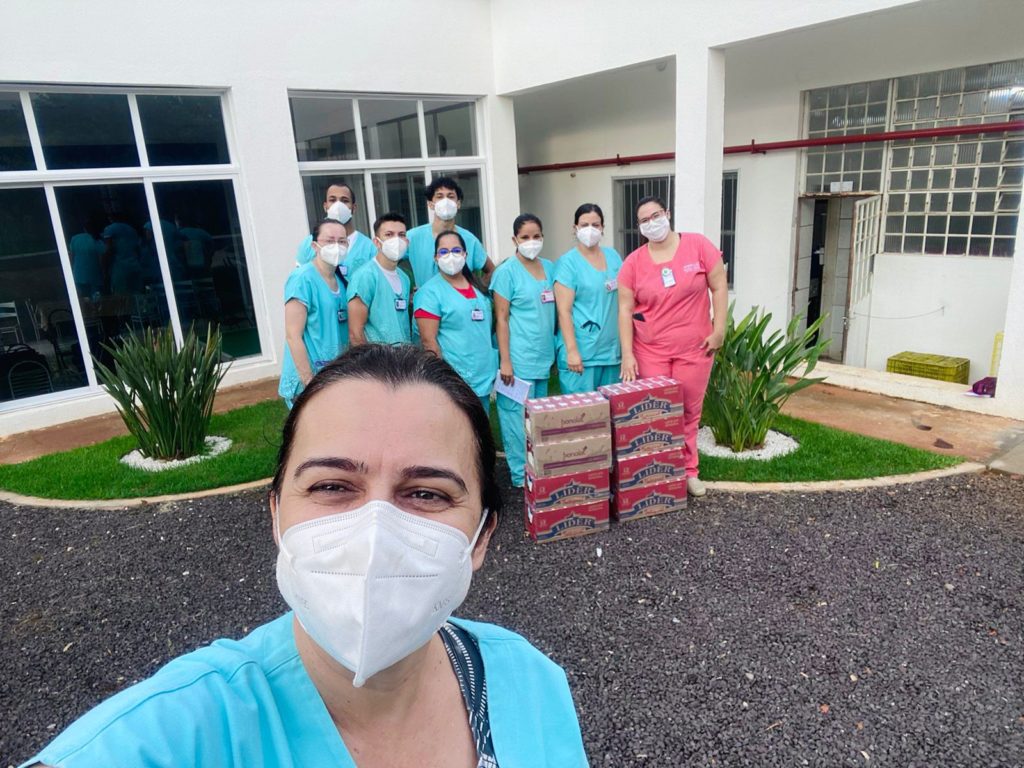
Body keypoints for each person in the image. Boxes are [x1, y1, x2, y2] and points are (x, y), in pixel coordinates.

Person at [20, 344, 588, 768]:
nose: (375, 531)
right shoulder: (178, 731)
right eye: (331, 486)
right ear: (276, 516)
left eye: (426, 493)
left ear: (482, 537)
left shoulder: (530, 683)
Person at [618, 195, 728, 498]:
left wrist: (719, 330)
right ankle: (659, 472)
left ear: (667, 213)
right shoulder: (633, 263)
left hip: (695, 348)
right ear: (639, 227)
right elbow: (625, 309)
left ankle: (689, 471)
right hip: (651, 350)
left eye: (656, 216)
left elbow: (719, 286)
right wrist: (627, 354)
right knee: (655, 413)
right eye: (644, 220)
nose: (652, 223)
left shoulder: (698, 246)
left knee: (689, 411)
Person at [491, 213, 556, 488]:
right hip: (518, 361)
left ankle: (538, 469)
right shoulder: (506, 272)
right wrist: (505, 360)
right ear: (514, 239)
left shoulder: (550, 268)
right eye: (525, 237)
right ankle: (520, 475)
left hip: (543, 357)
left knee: (538, 419)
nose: (532, 241)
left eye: (536, 236)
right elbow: (501, 318)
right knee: (514, 420)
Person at [414, 231, 497, 411]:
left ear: (465, 255)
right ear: (436, 258)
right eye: (443, 252)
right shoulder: (429, 294)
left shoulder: (477, 289)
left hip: (483, 373)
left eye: (456, 250)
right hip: (455, 378)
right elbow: (429, 342)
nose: (450, 256)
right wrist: (441, 380)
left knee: (482, 422)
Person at [278, 219, 349, 408]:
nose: (336, 246)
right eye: (330, 240)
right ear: (315, 245)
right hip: (309, 381)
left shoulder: (341, 280)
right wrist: (309, 383)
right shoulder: (302, 279)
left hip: (333, 376)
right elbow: (293, 336)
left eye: (342, 241)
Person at [553, 203, 622, 394]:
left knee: (612, 408)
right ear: (575, 228)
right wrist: (572, 351)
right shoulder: (568, 263)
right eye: (584, 225)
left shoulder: (613, 256)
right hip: (582, 355)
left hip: (611, 352)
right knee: (583, 411)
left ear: (602, 228)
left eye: (595, 225)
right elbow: (564, 311)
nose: (590, 230)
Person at [406, 176, 494, 289]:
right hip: (427, 298)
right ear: (430, 204)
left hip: (462, 299)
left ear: (458, 203)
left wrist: (477, 290)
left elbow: (492, 270)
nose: (445, 201)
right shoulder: (413, 237)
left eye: (450, 196)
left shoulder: (469, 240)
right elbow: (388, 262)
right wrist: (406, 290)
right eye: (439, 196)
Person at [347, 213, 412, 346]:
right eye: (389, 234)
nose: (396, 240)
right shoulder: (365, 276)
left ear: (407, 241)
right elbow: (355, 333)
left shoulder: (404, 278)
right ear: (377, 242)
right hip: (376, 357)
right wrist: (368, 359)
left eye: (401, 235)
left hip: (403, 355)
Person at [295, 181, 375, 276]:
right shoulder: (309, 244)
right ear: (325, 207)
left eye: (345, 201)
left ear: (354, 208)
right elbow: (301, 278)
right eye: (332, 200)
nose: (338, 205)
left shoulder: (369, 248)